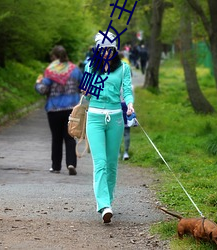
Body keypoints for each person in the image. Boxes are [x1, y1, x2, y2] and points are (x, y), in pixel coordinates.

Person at [83, 32, 134, 223]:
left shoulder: (123, 69)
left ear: (114, 50)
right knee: (101, 162)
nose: (104, 53)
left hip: (115, 119)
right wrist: (86, 92)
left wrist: (130, 104)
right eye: (101, 50)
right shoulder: (90, 66)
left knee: (112, 164)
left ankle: (109, 201)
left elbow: (127, 90)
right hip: (95, 118)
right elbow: (87, 96)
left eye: (108, 50)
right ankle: (104, 205)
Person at [35, 45, 83, 175]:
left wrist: (38, 83)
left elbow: (43, 90)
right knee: (70, 136)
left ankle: (56, 167)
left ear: (54, 57)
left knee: (56, 138)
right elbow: (82, 87)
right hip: (71, 109)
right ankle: (71, 163)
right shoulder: (75, 70)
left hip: (54, 109)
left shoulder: (50, 71)